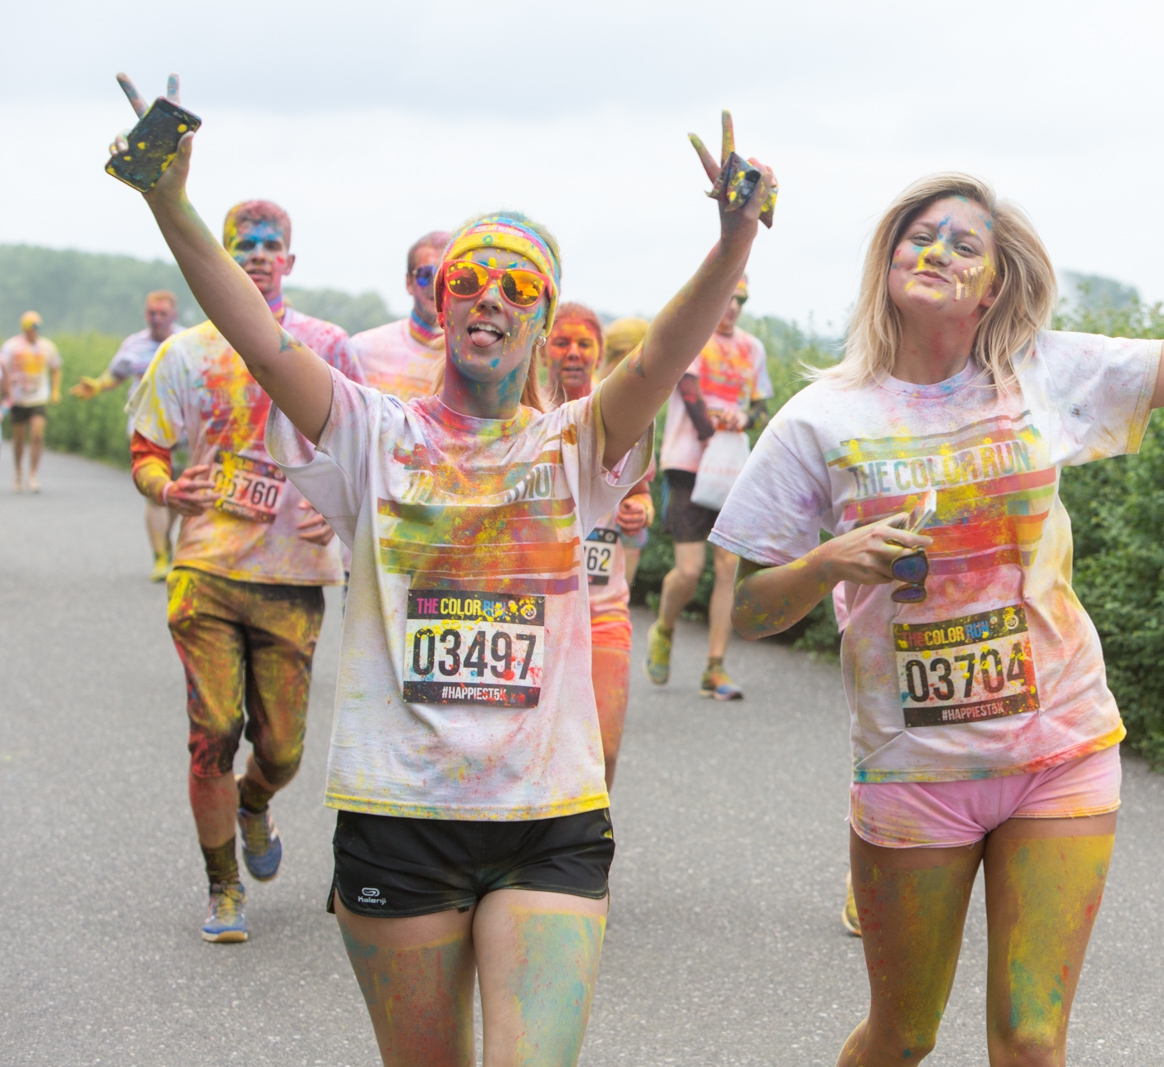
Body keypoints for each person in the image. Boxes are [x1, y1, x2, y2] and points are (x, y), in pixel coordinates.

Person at [113, 75, 773, 1064]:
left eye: (518, 287)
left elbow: (658, 362)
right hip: (398, 814)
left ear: (544, 320)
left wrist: (733, 243)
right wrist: (169, 200)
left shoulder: (576, 443)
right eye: (468, 280)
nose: (491, 298)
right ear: (438, 301)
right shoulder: (366, 430)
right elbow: (256, 333)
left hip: (549, 817)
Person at [714, 86, 1164, 1066]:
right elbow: (750, 605)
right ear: (885, 266)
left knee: (1029, 1033)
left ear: (995, 284)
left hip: (1060, 748)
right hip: (913, 769)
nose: (937, 252)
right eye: (917, 237)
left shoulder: (1046, 375)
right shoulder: (820, 419)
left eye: (963, 245)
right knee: (901, 1035)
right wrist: (832, 560)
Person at [116, 68, 362, 947]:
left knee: (284, 748)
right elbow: (145, 449)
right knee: (212, 730)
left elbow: (360, 450)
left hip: (294, 576)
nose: (256, 253)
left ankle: (259, 803)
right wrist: (162, 486)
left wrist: (333, 514)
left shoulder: (329, 348)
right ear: (220, 251)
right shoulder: (183, 353)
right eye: (242, 242)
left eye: (269, 243)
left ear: (290, 259)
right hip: (207, 568)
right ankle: (223, 887)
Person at [645, 275, 772, 700]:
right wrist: (714, 430)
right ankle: (664, 628)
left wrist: (744, 420)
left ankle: (714, 668)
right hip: (687, 465)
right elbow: (690, 393)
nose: (733, 307)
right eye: (727, 297)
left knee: (725, 568)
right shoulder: (694, 339)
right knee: (688, 570)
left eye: (741, 300)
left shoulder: (752, 349)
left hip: (731, 470)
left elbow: (759, 407)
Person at [545, 303, 654, 787]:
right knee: (541, 750)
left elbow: (642, 499)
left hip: (604, 610)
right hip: (537, 613)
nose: (572, 353)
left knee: (605, 748)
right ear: (541, 348)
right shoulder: (524, 416)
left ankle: (588, 850)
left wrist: (640, 513)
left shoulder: (619, 414)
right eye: (561, 342)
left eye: (583, 344)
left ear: (598, 353)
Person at [70, 290, 183, 578]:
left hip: (184, 432)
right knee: (154, 493)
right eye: (151, 313)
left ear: (174, 314)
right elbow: (116, 375)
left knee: (178, 493)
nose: (156, 318)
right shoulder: (133, 344)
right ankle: (160, 558)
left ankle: (166, 540)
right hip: (144, 428)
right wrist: (96, 385)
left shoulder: (186, 342)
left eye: (162, 313)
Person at [348, 231, 450, 401]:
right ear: (408, 283)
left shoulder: (474, 362)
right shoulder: (362, 350)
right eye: (427, 275)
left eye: (447, 276)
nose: (437, 287)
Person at [602, 316, 651, 583]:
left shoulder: (642, 418)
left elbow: (642, 492)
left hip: (616, 543)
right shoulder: (575, 407)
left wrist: (642, 510)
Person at [1, 311, 62, 492]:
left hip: (38, 397)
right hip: (18, 398)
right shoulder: (11, 346)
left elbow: (56, 368)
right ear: (24, 328)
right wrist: (6, 388)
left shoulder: (47, 347)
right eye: (30, 326)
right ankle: (18, 472)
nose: (33, 330)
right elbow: (2, 368)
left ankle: (33, 474)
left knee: (37, 435)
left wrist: (55, 391)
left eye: (36, 327)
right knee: (19, 439)